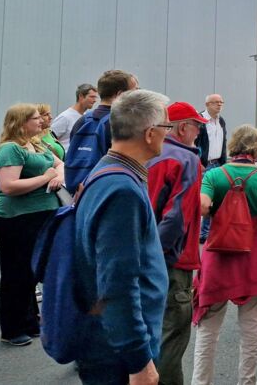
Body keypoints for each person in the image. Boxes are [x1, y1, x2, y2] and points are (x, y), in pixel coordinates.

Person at [74, 89, 170, 385]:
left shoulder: (107, 171)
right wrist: (138, 359)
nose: (169, 135)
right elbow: (117, 284)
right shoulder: (122, 190)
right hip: (118, 355)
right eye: (166, 127)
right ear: (151, 133)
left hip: (108, 343)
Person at [192, 125, 257, 385]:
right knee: (251, 332)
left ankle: (201, 382)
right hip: (253, 262)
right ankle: (247, 381)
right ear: (255, 149)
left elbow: (203, 206)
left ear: (233, 147)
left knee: (207, 331)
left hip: (218, 260)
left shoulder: (214, 175)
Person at [0, 103, 65, 346]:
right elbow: (8, 186)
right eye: (35, 118)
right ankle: (11, 328)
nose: (41, 121)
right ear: (20, 123)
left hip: (40, 216)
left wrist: (58, 176)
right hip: (17, 220)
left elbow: (60, 164)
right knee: (16, 274)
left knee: (31, 273)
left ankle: (30, 321)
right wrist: (45, 178)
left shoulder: (37, 143)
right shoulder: (10, 149)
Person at [146, 102, 205, 385]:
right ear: (183, 128)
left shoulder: (147, 154)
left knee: (147, 332)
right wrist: (157, 257)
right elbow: (176, 218)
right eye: (197, 126)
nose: (199, 133)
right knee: (171, 338)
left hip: (142, 254)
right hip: (172, 261)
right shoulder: (186, 159)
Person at [65, 69, 138, 191]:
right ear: (120, 95)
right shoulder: (119, 124)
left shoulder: (82, 120)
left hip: (79, 190)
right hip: (105, 190)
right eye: (134, 91)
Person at [196, 94, 227, 243]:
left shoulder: (221, 121)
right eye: (216, 102)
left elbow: (224, 143)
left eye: (221, 102)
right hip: (204, 165)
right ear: (207, 104)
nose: (219, 105)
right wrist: (197, 161)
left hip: (217, 164)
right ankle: (198, 232)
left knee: (214, 199)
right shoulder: (200, 120)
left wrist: (224, 163)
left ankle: (205, 233)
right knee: (202, 200)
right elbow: (194, 143)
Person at [50, 83, 98, 149]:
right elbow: (49, 140)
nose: (95, 100)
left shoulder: (86, 117)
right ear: (81, 96)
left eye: (95, 97)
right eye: (92, 97)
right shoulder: (65, 117)